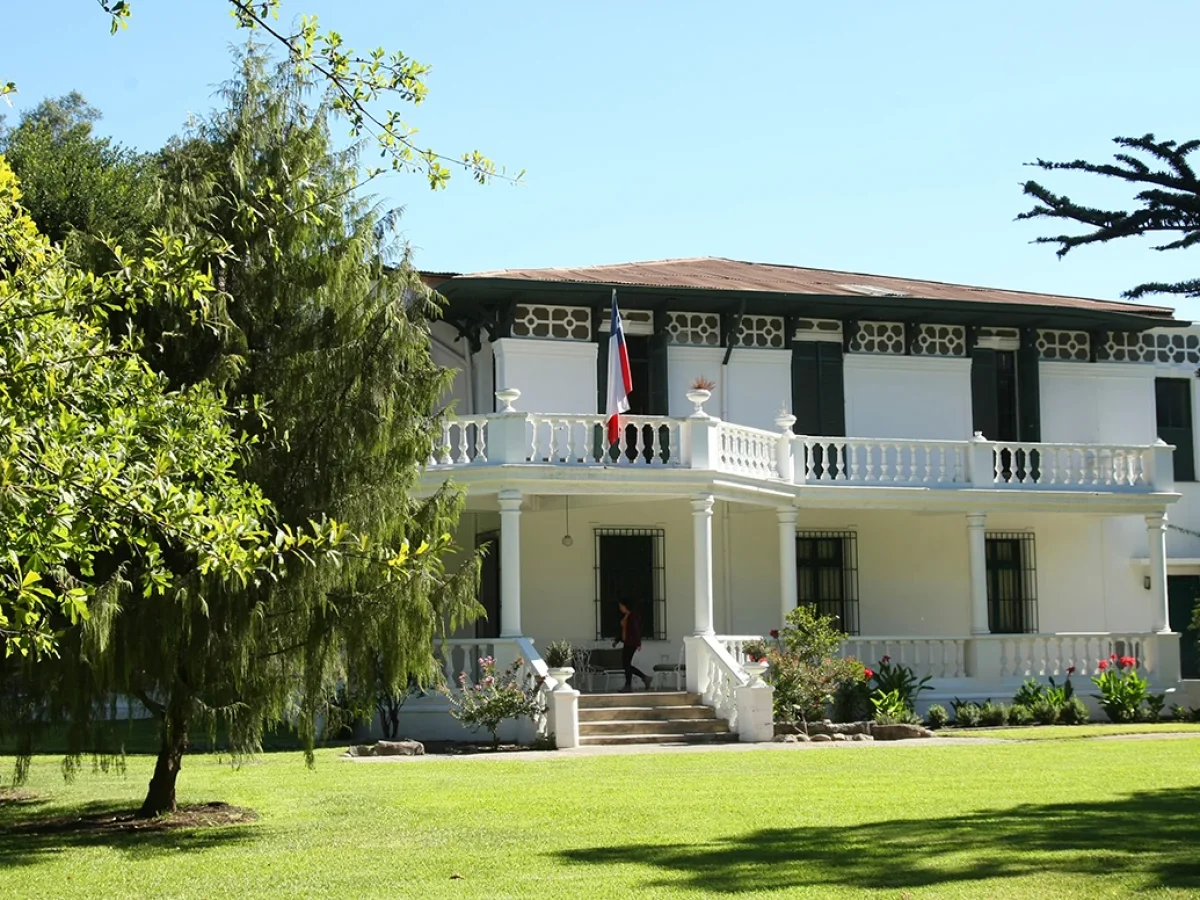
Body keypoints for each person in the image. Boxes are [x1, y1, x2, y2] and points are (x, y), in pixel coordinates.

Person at [613, 600, 652, 692]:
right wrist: (617, 640)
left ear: (626, 606)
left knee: (626, 664)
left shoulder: (633, 616)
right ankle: (643, 678)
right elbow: (623, 630)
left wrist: (638, 643)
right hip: (627, 642)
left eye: (621, 606)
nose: (620, 608)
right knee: (626, 664)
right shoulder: (626, 616)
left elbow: (636, 630)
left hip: (631, 643)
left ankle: (629, 685)